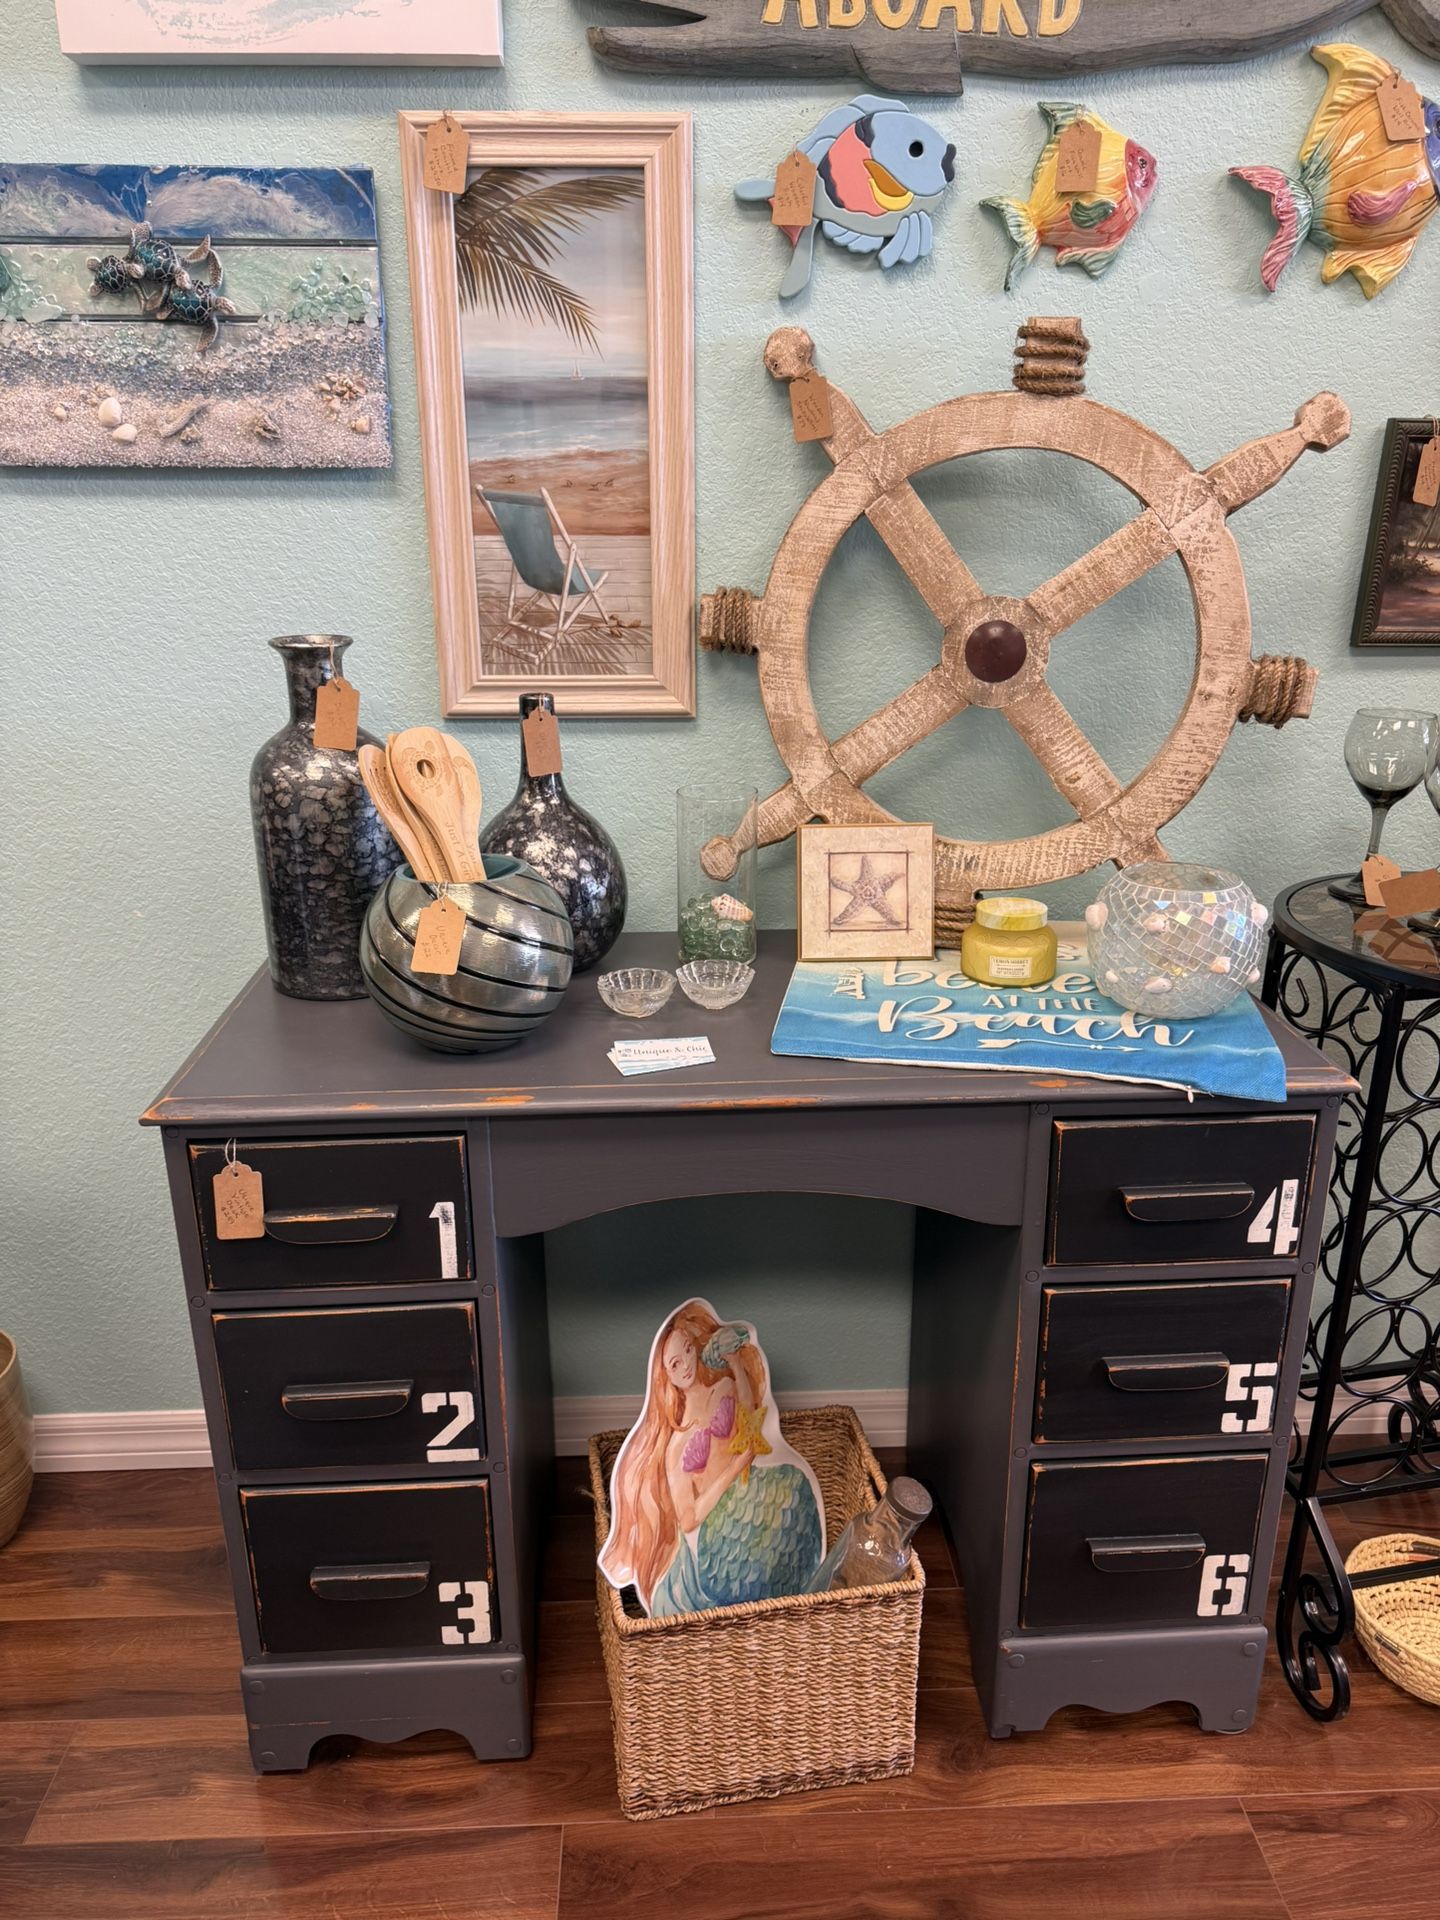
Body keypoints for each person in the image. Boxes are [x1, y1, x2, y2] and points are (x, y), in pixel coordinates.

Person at [599, 1299, 824, 1617]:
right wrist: (735, 1466)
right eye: (674, 1365)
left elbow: (750, 1413)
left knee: (793, 1484)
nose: (686, 1366)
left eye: (688, 1351)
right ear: (666, 1378)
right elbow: (689, 1518)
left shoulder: (724, 1388)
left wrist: (733, 1360)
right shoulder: (677, 1444)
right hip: (718, 1525)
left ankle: (798, 1602)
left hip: (751, 1490)